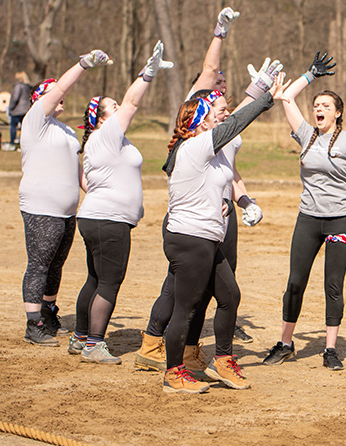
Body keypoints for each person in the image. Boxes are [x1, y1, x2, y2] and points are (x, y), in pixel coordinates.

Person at [134, 7, 260, 376]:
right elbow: (208, 72)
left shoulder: (221, 127)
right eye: (216, 87)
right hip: (191, 220)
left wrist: (244, 199)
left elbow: (230, 170)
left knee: (214, 286)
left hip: (217, 211)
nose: (222, 87)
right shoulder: (197, 128)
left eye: (223, 86)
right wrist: (219, 33)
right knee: (181, 287)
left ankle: (187, 350)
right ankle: (158, 344)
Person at [159, 66, 287, 393]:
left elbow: (232, 130)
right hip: (190, 240)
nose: (223, 116)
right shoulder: (196, 145)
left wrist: (232, 201)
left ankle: (223, 361)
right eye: (217, 113)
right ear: (203, 121)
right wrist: (267, 97)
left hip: (206, 238)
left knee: (229, 295)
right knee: (186, 308)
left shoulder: (211, 152)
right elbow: (237, 121)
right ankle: (174, 373)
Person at [262, 51, 346, 371]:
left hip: (341, 219)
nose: (319, 110)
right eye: (316, 106)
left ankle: (330, 349)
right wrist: (310, 75)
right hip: (308, 218)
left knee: (333, 285)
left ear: (337, 113)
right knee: (295, 282)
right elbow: (287, 97)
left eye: (325, 107)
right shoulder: (305, 135)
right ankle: (286, 343)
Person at [70, 41, 172, 364]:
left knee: (95, 280)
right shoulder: (107, 135)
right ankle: (93, 344)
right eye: (111, 108)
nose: (119, 110)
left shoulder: (105, 141)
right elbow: (131, 101)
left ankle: (80, 337)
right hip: (108, 220)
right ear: (102, 118)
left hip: (99, 217)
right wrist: (147, 74)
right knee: (109, 282)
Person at [18, 51, 109, 347]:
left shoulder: (66, 131)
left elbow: (76, 167)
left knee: (56, 264)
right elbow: (60, 88)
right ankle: (33, 324)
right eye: (55, 92)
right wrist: (82, 65)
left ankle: (48, 311)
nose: (62, 96)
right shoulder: (35, 121)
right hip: (41, 208)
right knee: (39, 264)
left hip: (68, 210)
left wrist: (95, 191)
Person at [9, 71, 31, 145]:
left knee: (13, 126)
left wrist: (11, 107)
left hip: (17, 110)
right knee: (24, 128)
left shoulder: (18, 86)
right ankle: (25, 143)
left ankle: (12, 142)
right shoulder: (28, 87)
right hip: (26, 110)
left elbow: (15, 98)